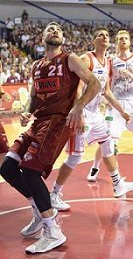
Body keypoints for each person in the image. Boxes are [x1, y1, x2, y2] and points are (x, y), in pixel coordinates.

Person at [0, 22, 101, 254]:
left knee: (31, 172)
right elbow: (33, 98)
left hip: (57, 122)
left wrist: (78, 107)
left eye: (58, 30)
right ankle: (39, 209)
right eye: (50, 28)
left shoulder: (70, 59)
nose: (55, 31)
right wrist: (27, 110)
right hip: (38, 122)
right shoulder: (36, 66)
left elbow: (95, 84)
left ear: (62, 39)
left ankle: (52, 230)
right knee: (7, 168)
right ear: (43, 36)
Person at [50, 28, 133, 212]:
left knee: (108, 144)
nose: (105, 37)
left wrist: (122, 111)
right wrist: (78, 112)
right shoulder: (86, 59)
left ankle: (117, 184)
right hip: (81, 113)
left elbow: (106, 92)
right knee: (75, 156)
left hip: (96, 114)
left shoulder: (107, 63)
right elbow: (78, 86)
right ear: (94, 40)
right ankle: (54, 194)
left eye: (107, 35)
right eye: (101, 35)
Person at [88, 29, 133, 187]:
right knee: (107, 139)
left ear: (130, 42)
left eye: (126, 38)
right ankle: (95, 166)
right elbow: (104, 81)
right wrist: (103, 99)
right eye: (120, 39)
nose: (123, 40)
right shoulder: (110, 60)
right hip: (116, 104)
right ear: (117, 42)